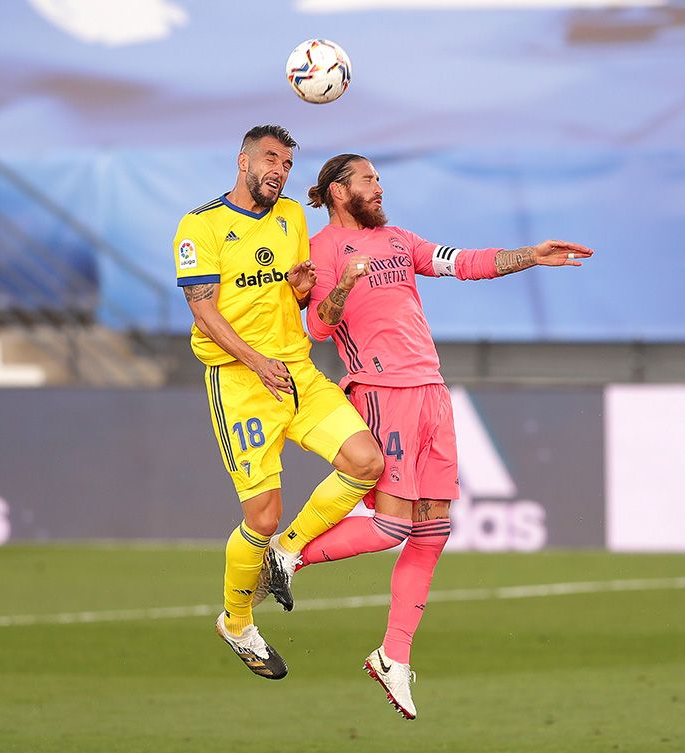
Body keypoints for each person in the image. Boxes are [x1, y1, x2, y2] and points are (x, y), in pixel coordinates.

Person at [262, 153, 593, 718]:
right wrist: (341, 286)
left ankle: (393, 656)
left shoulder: (398, 241)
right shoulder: (316, 252)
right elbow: (317, 327)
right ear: (339, 192)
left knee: (433, 531)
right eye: (369, 179)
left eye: (378, 179)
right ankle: (289, 551)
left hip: (431, 392)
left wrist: (529, 258)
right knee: (392, 525)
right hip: (382, 391)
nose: (378, 186)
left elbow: (463, 263)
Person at [171, 128, 384, 681]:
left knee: (367, 462)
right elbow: (205, 312)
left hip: (297, 371)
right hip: (241, 382)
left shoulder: (292, 215)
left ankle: (286, 552)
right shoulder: (200, 226)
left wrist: (299, 286)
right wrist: (257, 361)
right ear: (241, 160)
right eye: (270, 158)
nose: (279, 170)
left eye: (287, 163)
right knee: (260, 514)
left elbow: (296, 294)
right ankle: (237, 623)